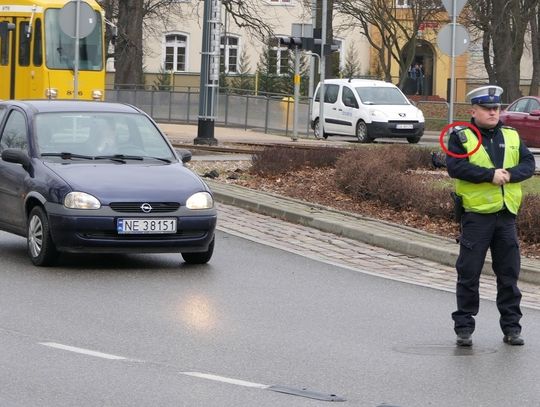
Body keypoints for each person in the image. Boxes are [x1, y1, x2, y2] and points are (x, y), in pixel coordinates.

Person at [446, 85, 535, 347]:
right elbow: (455, 167)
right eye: (487, 108)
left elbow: (528, 164)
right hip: (476, 217)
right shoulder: (462, 136)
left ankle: (512, 328)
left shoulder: (511, 135)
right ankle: (464, 327)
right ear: (473, 111)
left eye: (496, 108)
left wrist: (508, 174)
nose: (493, 112)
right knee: (469, 273)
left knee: (509, 275)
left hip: (506, 216)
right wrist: (489, 175)